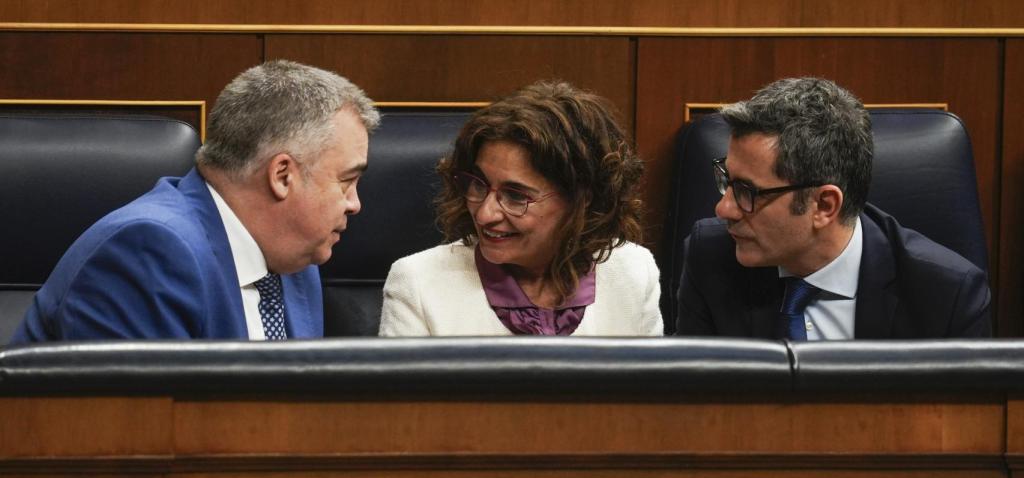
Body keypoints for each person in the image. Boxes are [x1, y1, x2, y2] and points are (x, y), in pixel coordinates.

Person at [11, 60, 379, 342]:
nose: (354, 204)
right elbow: (140, 432)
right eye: (347, 181)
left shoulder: (295, 260)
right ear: (282, 175)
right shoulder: (148, 252)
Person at [676, 77, 991, 339]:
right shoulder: (711, 259)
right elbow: (691, 405)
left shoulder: (947, 296)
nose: (724, 208)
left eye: (747, 192)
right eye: (726, 180)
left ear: (824, 205)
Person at [379, 81, 662, 336]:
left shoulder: (633, 272)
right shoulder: (418, 283)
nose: (485, 214)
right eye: (478, 184)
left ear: (582, 199)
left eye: (515, 195)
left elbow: (651, 393)